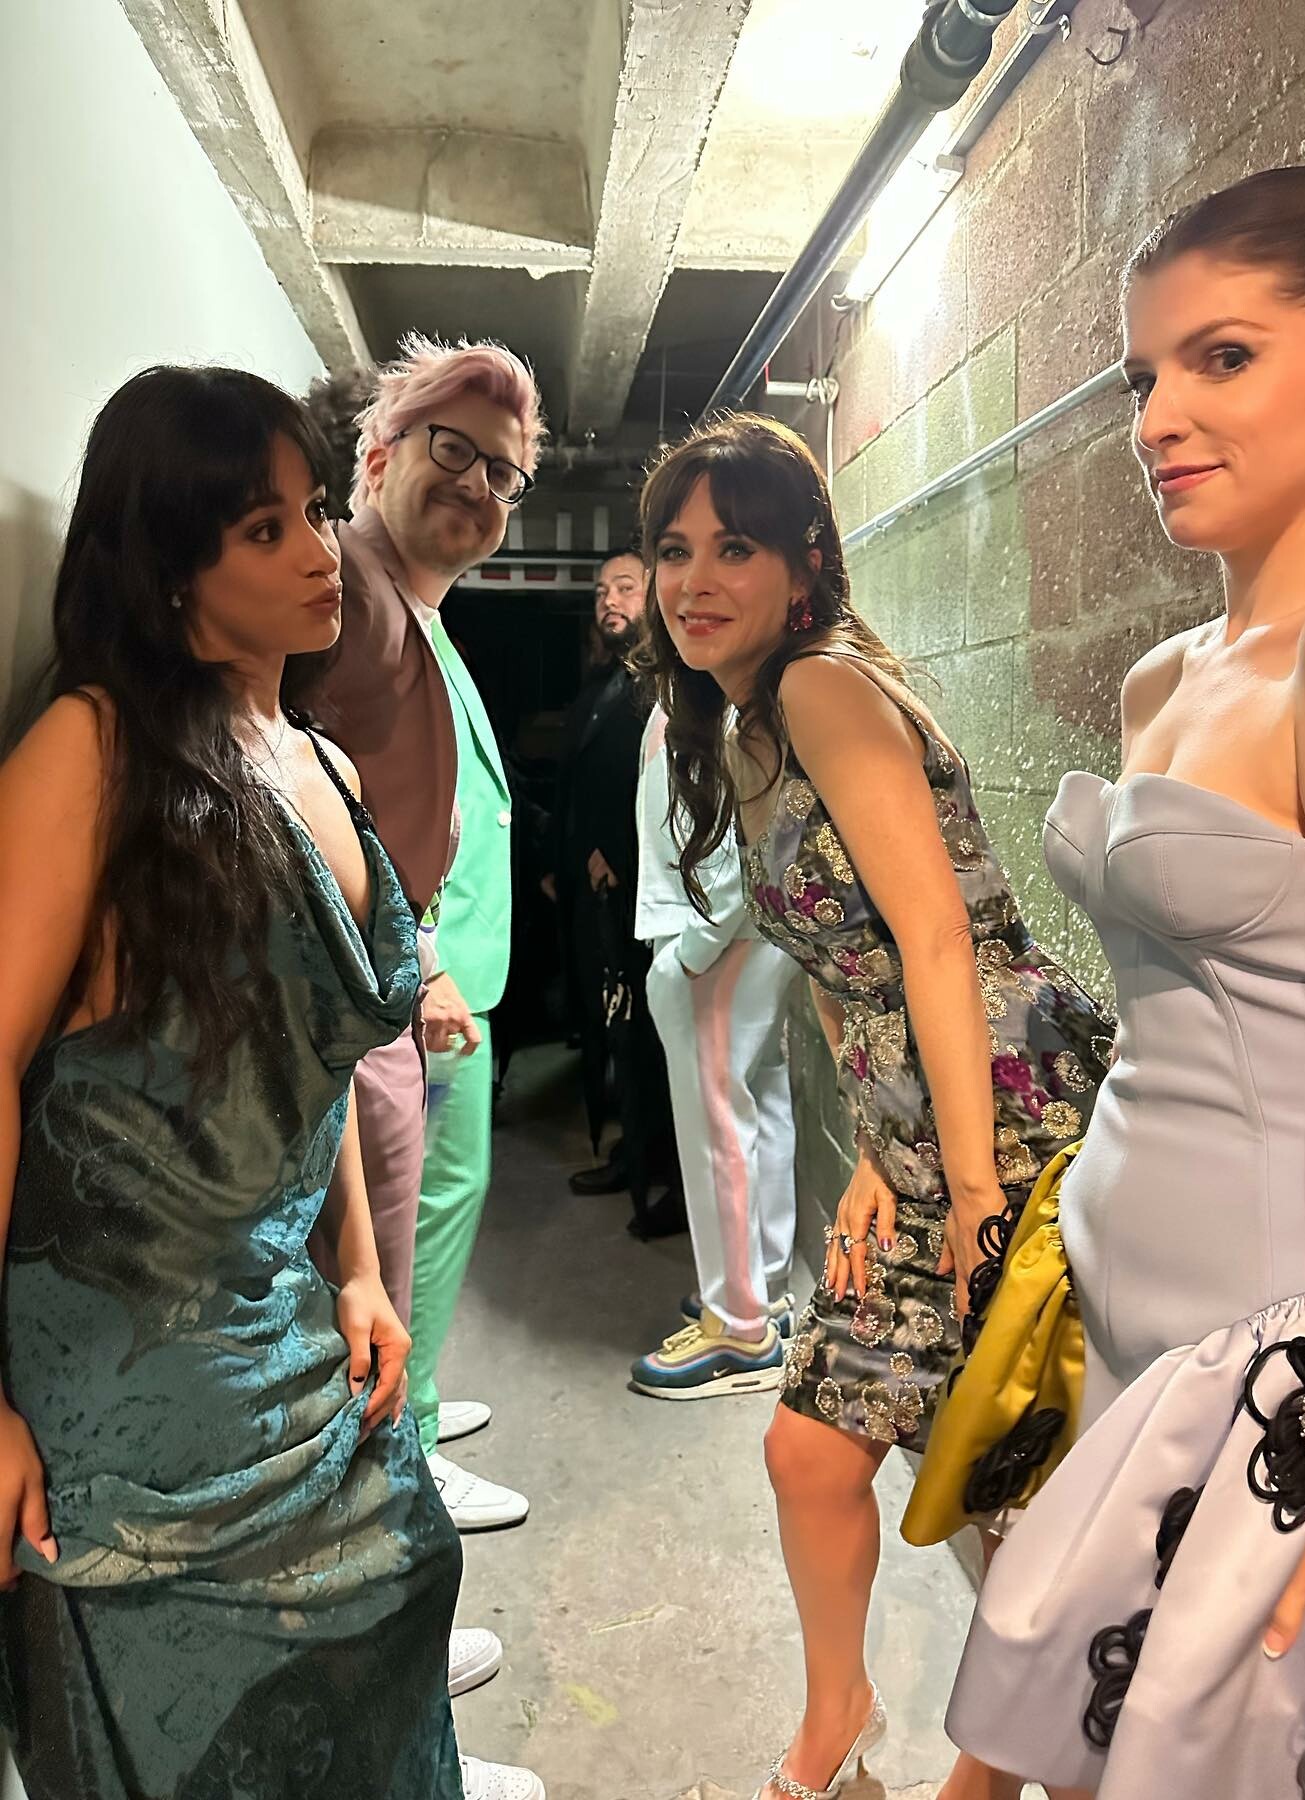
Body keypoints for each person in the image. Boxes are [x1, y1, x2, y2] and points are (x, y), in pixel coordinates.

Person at [945, 163, 1305, 1800]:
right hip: (1118, 1295)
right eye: (1143, 374)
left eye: (1223, 358)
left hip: (1283, 1339)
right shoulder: (1165, 673)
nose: (1160, 417)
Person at [0, 365, 541, 1800]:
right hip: (128, 1359)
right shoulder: (93, 751)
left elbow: (318, 1069)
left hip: (284, 1313)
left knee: (399, 1572)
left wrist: (359, 1268)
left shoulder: (318, 760)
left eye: (311, 512)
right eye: (264, 529)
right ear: (168, 563)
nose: (318, 552)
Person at [636, 413, 1111, 1800]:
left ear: (805, 565)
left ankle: (999, 1770)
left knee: (1017, 1463)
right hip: (926, 1125)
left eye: (735, 547)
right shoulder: (745, 721)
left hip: (1009, 1109)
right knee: (814, 1449)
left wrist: (970, 1185)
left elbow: (939, 941)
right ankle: (841, 1721)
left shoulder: (822, 687)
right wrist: (875, 1162)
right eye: (674, 549)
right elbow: (844, 968)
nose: (695, 580)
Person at [305, 334, 542, 1537]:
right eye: (454, 450)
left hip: (405, 999)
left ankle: (406, 1454)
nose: (478, 485)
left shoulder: (407, 607)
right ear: (378, 454)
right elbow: (324, 814)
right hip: (374, 1009)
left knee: (408, 1245)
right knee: (367, 1286)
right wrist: (425, 959)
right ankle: (387, 1526)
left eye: (502, 472)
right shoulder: (350, 598)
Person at [629, 699, 800, 1397]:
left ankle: (738, 1326)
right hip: (743, 931)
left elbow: (752, 828)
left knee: (716, 1126)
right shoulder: (724, 686)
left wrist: (691, 950)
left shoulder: (713, 689)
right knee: (758, 1102)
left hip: (719, 936)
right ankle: (762, 1291)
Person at [549, 553, 683, 1238]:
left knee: (646, 1036)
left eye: (625, 588)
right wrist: (562, 860)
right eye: (602, 591)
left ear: (652, 595)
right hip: (593, 885)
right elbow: (579, 781)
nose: (610, 600)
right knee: (615, 1031)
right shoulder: (604, 681)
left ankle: (661, 1167)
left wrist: (616, 857)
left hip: (636, 888)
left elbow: (655, 792)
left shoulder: (663, 685)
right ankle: (635, 1150)